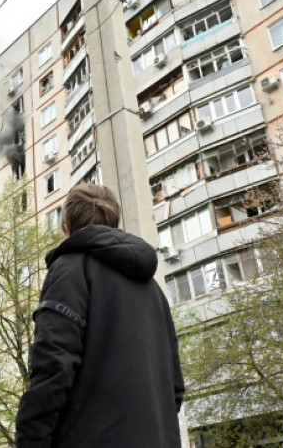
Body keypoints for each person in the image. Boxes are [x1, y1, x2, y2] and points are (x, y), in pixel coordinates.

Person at [15, 183, 184, 448]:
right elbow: (174, 389)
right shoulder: (154, 291)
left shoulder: (69, 270)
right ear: (114, 224)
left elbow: (53, 367)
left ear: (66, 227)